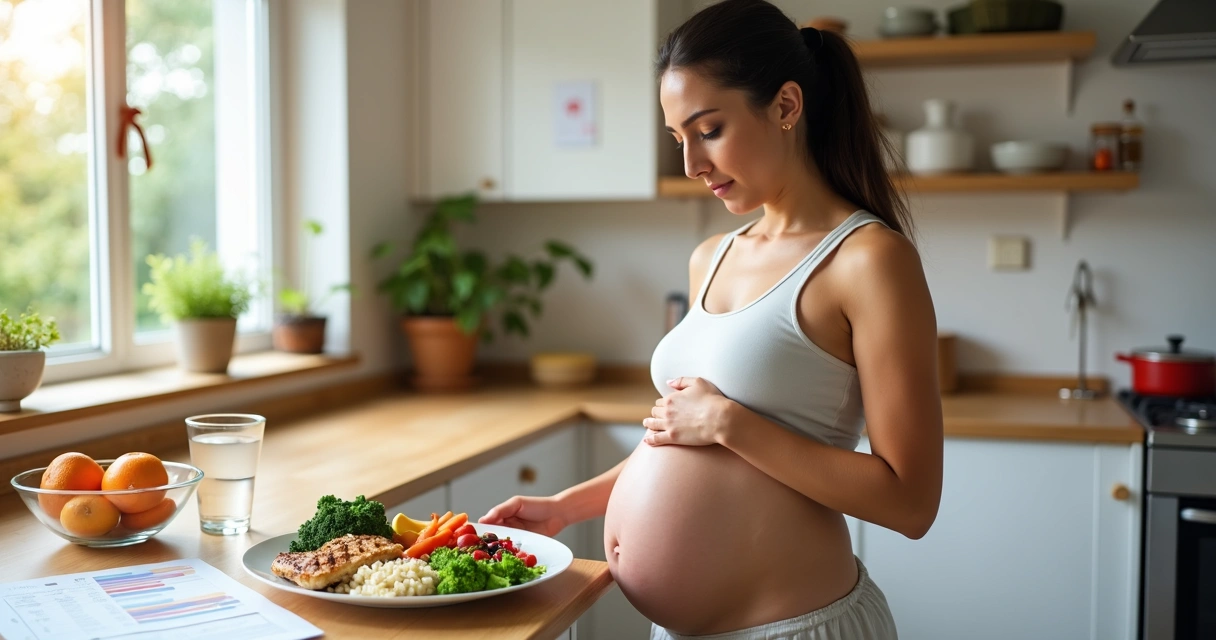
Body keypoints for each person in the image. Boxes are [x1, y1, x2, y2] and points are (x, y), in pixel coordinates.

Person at [480, 1, 943, 637]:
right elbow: (682, 434)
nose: (691, 165)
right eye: (680, 139)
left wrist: (730, 423)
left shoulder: (868, 260)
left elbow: (911, 502)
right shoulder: (712, 256)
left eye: (709, 130)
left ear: (785, 106)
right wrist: (567, 507)